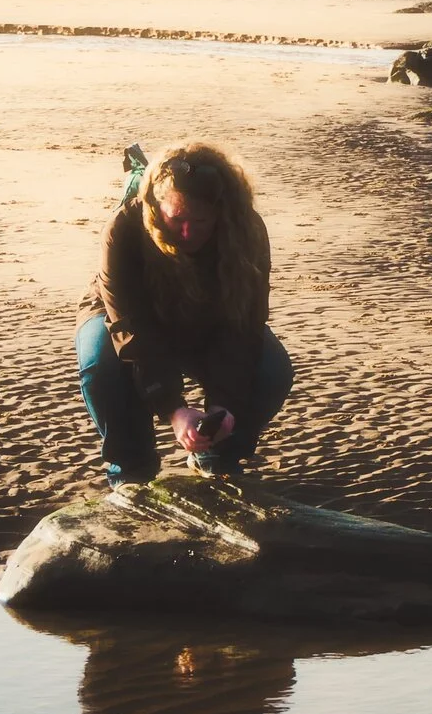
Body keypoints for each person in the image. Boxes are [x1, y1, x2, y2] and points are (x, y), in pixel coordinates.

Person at [76, 142, 292, 481]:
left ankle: (219, 455)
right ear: (156, 206)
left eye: (201, 220)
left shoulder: (246, 230)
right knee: (100, 365)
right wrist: (173, 409)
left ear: (220, 212)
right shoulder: (123, 227)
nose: (188, 232)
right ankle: (132, 469)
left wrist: (225, 403)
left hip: (209, 318)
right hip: (124, 316)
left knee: (272, 370)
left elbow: (245, 325)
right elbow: (130, 327)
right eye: (177, 219)